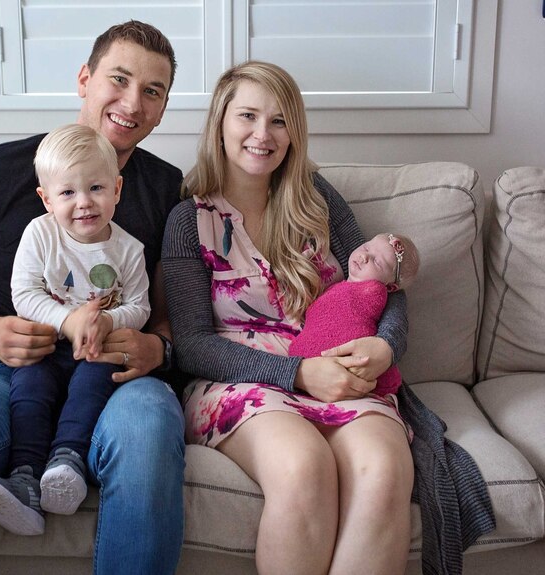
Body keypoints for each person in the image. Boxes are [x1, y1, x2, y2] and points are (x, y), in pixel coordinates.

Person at [0, 21, 185, 575]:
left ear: (164, 108)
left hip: (118, 377)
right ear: (84, 79)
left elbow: (167, 317)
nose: (131, 103)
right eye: (118, 80)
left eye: (152, 91)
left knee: (148, 440)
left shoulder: (168, 191)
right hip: (9, 373)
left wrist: (156, 350)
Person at [163, 60, 414, 575]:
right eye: (248, 116)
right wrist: (298, 374)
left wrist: (387, 346)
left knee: (386, 469)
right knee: (304, 467)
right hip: (239, 377)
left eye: (279, 120)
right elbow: (189, 343)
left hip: (341, 373)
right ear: (221, 123)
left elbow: (381, 286)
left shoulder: (319, 200)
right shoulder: (188, 220)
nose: (262, 134)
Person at [0, 124, 152, 536]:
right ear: (46, 199)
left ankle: (67, 464)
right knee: (29, 392)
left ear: (117, 189)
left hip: (98, 350)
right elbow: (25, 292)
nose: (84, 203)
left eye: (96, 188)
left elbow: (140, 307)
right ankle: (25, 479)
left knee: (89, 389)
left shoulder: (128, 249)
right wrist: (69, 320)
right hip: (47, 347)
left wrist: (107, 320)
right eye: (68, 193)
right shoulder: (40, 234)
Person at [288, 232, 420, 397]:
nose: (364, 256)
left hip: (352, 376)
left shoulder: (374, 292)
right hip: (304, 371)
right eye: (366, 246)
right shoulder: (335, 288)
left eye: (378, 262)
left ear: (390, 287)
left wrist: (387, 347)